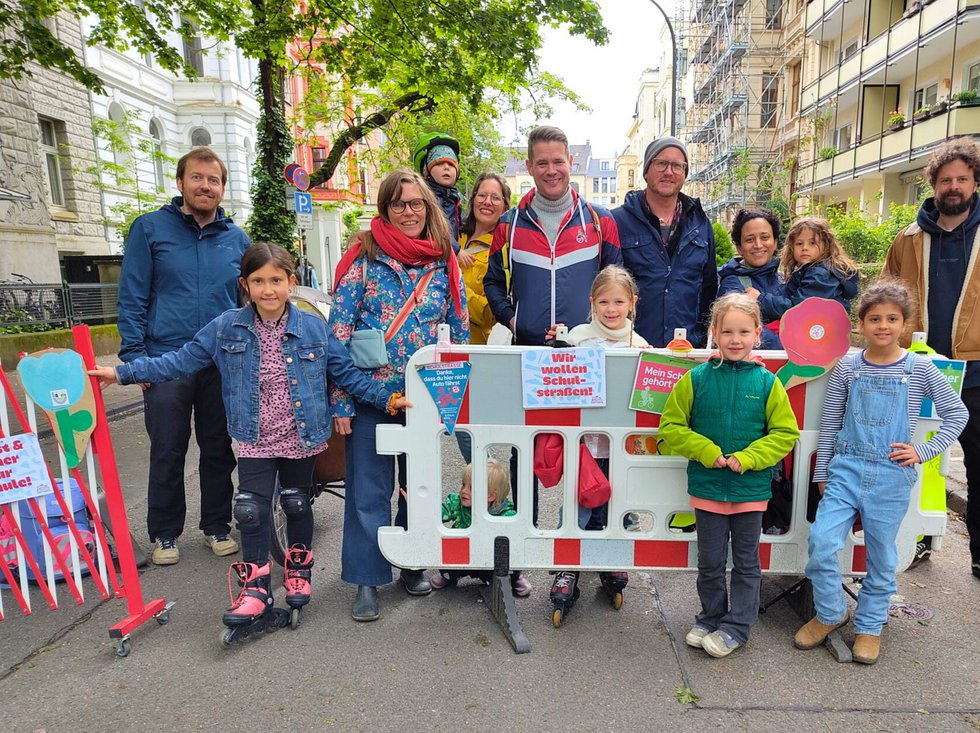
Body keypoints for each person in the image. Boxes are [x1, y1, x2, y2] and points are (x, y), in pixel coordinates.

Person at [90, 243, 411, 639]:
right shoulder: (227, 326)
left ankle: (297, 570)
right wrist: (121, 373)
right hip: (253, 435)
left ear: (291, 282)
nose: (268, 289)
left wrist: (387, 398)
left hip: (300, 433)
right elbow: (180, 360)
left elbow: (346, 374)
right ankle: (255, 587)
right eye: (258, 281)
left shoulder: (313, 328)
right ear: (245, 285)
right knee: (249, 510)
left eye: (276, 280)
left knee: (295, 501)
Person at [795, 280, 967, 664]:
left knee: (882, 558)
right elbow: (830, 421)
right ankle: (830, 613)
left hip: (891, 475)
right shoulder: (848, 367)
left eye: (892, 318)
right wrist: (823, 473)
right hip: (846, 469)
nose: (883, 325)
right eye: (875, 318)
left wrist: (923, 450)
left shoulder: (920, 368)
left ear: (905, 323)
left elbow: (957, 414)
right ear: (862, 323)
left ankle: (870, 626)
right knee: (822, 543)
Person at [329, 168, 469, 622]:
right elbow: (337, 337)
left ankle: (410, 562)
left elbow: (458, 332)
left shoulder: (443, 260)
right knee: (369, 490)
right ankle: (368, 578)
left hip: (425, 398)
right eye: (398, 204)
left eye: (416, 204)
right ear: (384, 209)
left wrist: (455, 397)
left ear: (428, 208)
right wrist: (342, 401)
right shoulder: (363, 259)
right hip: (372, 395)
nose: (408, 212)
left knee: (419, 488)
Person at [117, 147, 250, 566]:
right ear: (180, 183)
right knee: (168, 448)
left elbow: (247, 301)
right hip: (164, 357)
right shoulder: (150, 229)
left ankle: (216, 526)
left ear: (222, 188)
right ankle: (165, 534)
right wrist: (135, 356)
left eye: (213, 180)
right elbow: (133, 294)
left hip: (220, 362)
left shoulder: (236, 239)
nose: (205, 186)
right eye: (197, 178)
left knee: (218, 448)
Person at [484, 124, 621, 525]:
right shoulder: (509, 224)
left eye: (558, 161)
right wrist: (514, 319)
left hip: (587, 358)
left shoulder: (599, 220)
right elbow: (493, 281)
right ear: (528, 165)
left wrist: (595, 329)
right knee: (526, 452)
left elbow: (616, 282)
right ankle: (520, 547)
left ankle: (590, 547)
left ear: (570, 162)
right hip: (529, 354)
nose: (551, 169)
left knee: (594, 452)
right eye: (541, 162)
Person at [659, 293, 799, 658]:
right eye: (727, 332)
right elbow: (671, 426)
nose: (735, 339)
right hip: (707, 489)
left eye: (744, 332)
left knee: (747, 563)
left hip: (750, 491)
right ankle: (710, 618)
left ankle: (737, 626)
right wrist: (707, 452)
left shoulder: (769, 384)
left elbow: (785, 434)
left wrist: (749, 458)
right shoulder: (695, 379)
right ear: (714, 334)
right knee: (709, 562)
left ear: (757, 335)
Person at [882, 138, 980, 579]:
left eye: (962, 178)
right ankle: (912, 543)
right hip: (916, 371)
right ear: (934, 185)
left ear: (975, 182)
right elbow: (885, 294)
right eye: (945, 180)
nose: (953, 186)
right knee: (911, 461)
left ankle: (978, 557)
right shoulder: (909, 239)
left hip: (976, 372)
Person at [548, 265, 649, 620]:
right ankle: (567, 564)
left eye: (619, 301)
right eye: (604, 301)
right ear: (591, 302)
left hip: (621, 447)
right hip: (585, 443)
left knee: (617, 504)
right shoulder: (576, 337)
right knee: (579, 504)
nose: (611, 309)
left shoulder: (640, 345)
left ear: (632, 303)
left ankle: (613, 558)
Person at [613, 137, 717, 347]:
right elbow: (605, 287)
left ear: (684, 174)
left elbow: (709, 288)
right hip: (633, 347)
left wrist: (705, 340)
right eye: (661, 163)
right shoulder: (618, 221)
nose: (669, 172)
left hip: (688, 349)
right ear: (647, 170)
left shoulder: (701, 224)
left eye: (677, 166)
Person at [429, 459, 529, 595]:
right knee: (447, 562)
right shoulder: (457, 502)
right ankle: (448, 576)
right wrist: (422, 508)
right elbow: (438, 513)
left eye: (471, 488)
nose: (463, 490)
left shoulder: (506, 514)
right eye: (463, 484)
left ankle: (514, 578)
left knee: (508, 566)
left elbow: (514, 540)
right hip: (463, 554)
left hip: (489, 560)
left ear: (491, 496)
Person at [753, 217, 859, 325]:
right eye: (799, 243)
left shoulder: (821, 275)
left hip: (823, 334)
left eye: (812, 243)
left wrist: (761, 299)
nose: (804, 248)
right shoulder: (804, 270)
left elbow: (797, 309)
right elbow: (787, 293)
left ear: (826, 246)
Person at [718, 208, 783, 349]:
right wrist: (789, 346)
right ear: (739, 247)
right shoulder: (733, 284)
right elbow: (739, 330)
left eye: (764, 237)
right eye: (750, 239)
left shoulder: (784, 279)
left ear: (775, 241)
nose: (758, 245)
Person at [459, 172, 511, 345]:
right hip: (433, 340)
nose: (487, 202)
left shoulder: (502, 250)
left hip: (470, 345)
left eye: (495, 197)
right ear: (473, 199)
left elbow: (488, 314)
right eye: (482, 195)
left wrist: (454, 287)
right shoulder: (453, 235)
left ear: (504, 207)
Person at [412, 132, 464, 243]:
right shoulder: (430, 198)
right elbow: (436, 229)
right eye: (439, 164)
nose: (446, 168)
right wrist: (457, 250)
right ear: (427, 172)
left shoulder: (453, 196)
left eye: (451, 165)